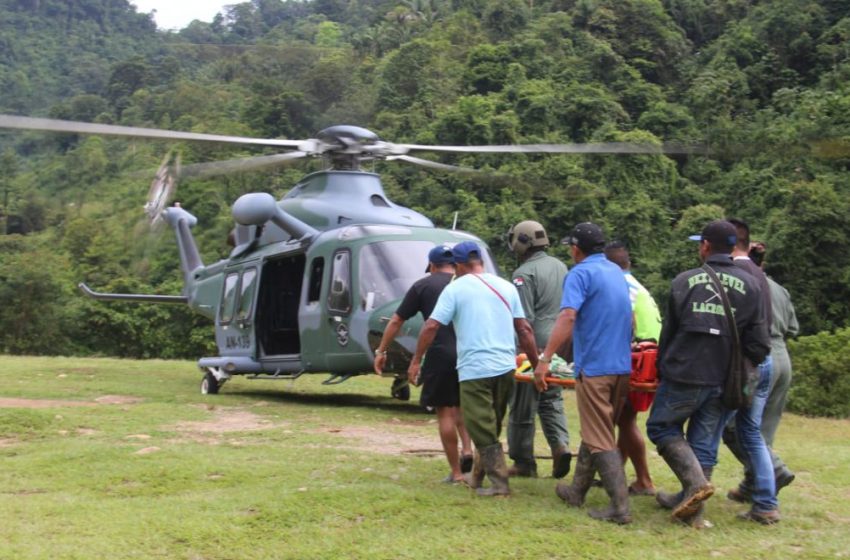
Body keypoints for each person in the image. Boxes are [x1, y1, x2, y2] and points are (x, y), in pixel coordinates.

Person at [646, 220, 770, 528]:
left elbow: (669, 333)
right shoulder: (753, 285)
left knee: (661, 427)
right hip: (725, 379)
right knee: (703, 442)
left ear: (704, 246)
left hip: (685, 373)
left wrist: (662, 367)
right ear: (732, 248)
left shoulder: (684, 281)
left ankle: (695, 487)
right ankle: (695, 514)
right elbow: (759, 344)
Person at [408, 241, 539, 497]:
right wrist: (537, 366)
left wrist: (416, 360)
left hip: (475, 369)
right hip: (505, 368)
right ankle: (477, 477)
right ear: (480, 261)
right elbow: (524, 329)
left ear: (457, 265)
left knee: (481, 426)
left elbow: (432, 326)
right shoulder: (506, 286)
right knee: (490, 424)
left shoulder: (455, 289)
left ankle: (499, 485)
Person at [534, 222, 633, 524]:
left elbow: (567, 316)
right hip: (621, 366)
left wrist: (545, 358)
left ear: (576, 249)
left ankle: (619, 507)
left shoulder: (579, 273)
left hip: (596, 369)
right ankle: (577, 491)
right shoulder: (616, 271)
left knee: (600, 437)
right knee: (598, 430)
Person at [374, 245, 473, 484]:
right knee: (462, 407)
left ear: (431, 265)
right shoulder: (468, 283)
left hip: (440, 354)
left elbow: (397, 320)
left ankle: (457, 473)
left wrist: (381, 350)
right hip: (469, 353)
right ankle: (468, 450)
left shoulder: (423, 285)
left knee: (445, 412)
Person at [726, 242, 799, 504]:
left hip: (757, 357)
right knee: (763, 428)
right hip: (782, 358)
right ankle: (753, 484)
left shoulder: (743, 285)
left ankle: (774, 471)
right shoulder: (779, 288)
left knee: (736, 426)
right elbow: (793, 328)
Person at [720, 218, 780, 524]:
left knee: (711, 426)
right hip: (763, 361)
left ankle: (692, 490)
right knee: (751, 434)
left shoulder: (734, 274)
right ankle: (766, 502)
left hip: (744, 366)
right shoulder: (757, 272)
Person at [505, 220, 572, 480]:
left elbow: (524, 320)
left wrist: (524, 352)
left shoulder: (523, 274)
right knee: (551, 399)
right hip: (558, 343)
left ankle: (523, 461)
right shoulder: (561, 266)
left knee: (523, 404)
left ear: (522, 241)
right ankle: (560, 446)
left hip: (532, 345)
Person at [604, 241, 660, 496]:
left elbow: (625, 322)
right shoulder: (636, 284)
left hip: (638, 359)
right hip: (649, 357)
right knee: (625, 418)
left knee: (622, 420)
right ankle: (619, 474)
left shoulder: (622, 287)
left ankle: (644, 480)